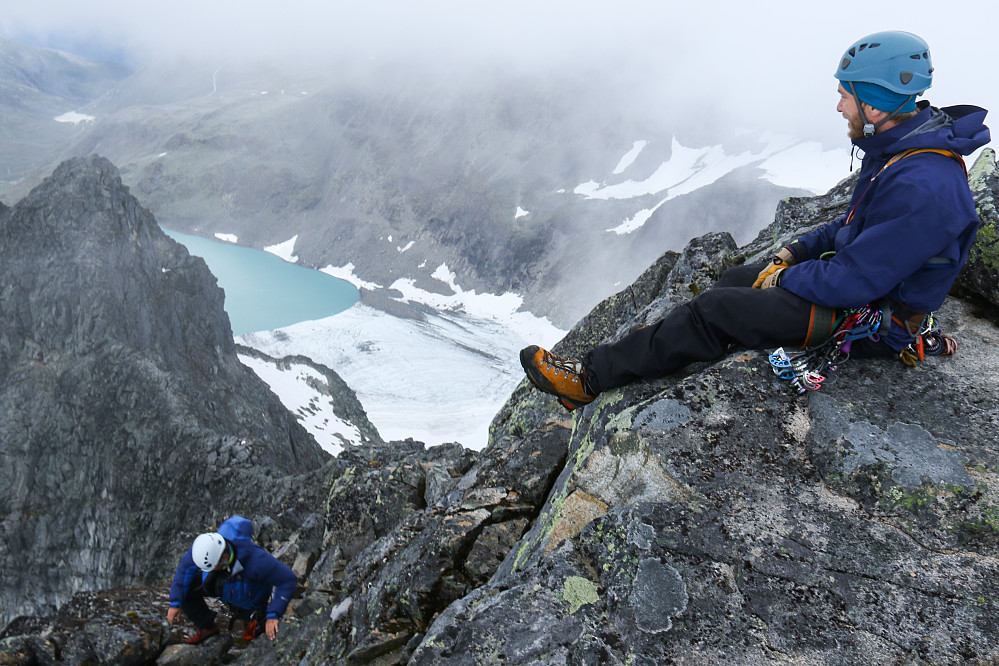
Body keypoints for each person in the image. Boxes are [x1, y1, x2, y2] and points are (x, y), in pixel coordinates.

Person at [521, 30, 990, 410]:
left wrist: (785, 278)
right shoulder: (900, 150)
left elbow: (854, 281)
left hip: (873, 320)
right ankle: (698, 341)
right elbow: (851, 228)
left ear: (875, 105)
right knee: (737, 278)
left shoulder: (922, 185)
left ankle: (588, 379)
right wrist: (792, 252)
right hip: (865, 290)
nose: (839, 106)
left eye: (846, 95)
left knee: (716, 310)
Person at [167, 515, 297, 644]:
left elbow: (287, 580)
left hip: (250, 602)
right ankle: (207, 627)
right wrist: (175, 602)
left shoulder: (257, 562)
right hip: (225, 587)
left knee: (257, 639)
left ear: (223, 557)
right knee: (186, 591)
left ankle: (256, 623)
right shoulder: (206, 546)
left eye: (212, 568)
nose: (210, 571)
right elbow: (185, 567)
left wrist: (273, 614)